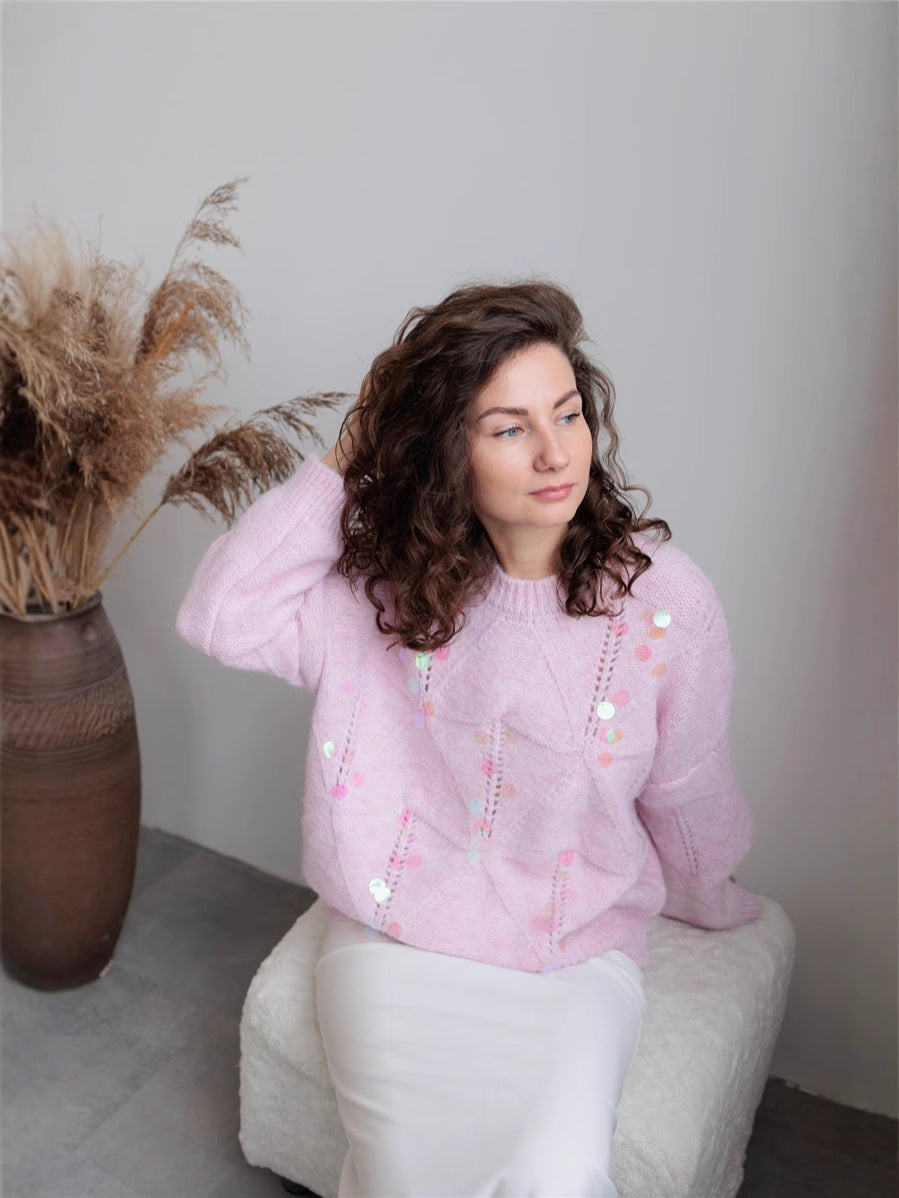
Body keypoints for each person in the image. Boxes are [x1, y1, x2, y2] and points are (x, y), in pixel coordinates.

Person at [176, 281, 762, 1198]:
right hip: (393, 950)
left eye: (567, 413)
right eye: (508, 428)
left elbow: (689, 786)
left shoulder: (662, 604)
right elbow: (220, 617)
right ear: (447, 450)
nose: (555, 452)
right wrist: (353, 448)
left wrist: (709, 889)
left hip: (571, 961)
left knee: (557, 1179)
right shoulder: (380, 595)